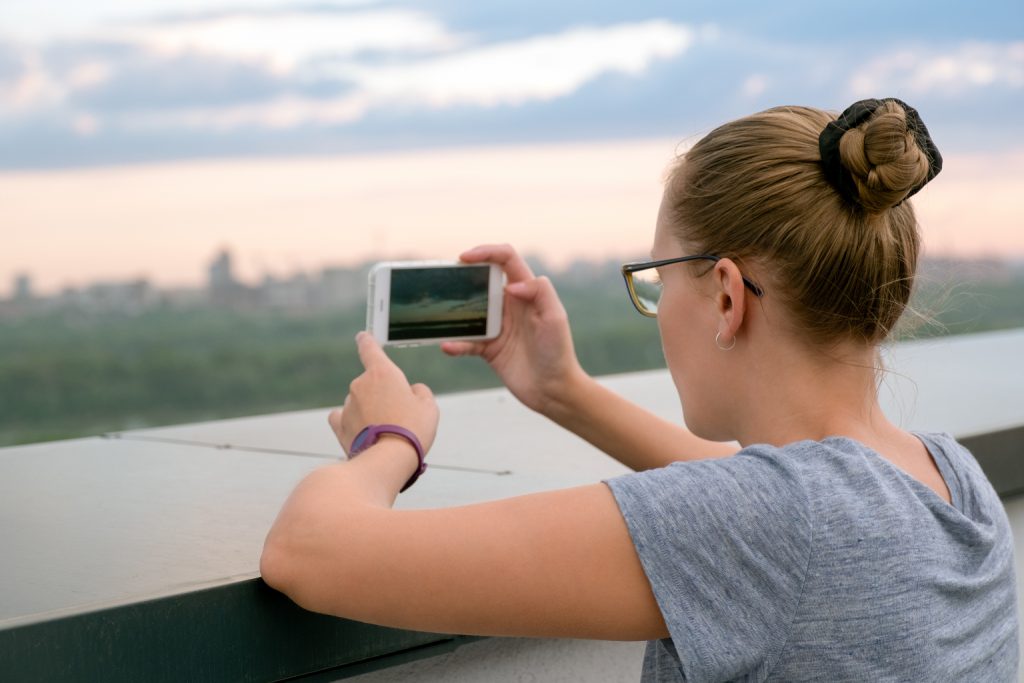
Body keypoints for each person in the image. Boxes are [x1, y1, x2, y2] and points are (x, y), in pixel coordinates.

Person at [260, 99, 1018, 681]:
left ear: (726, 296)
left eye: (657, 279)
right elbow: (764, 495)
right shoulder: (952, 482)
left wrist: (387, 440)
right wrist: (563, 391)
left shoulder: (779, 527)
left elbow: (310, 552)